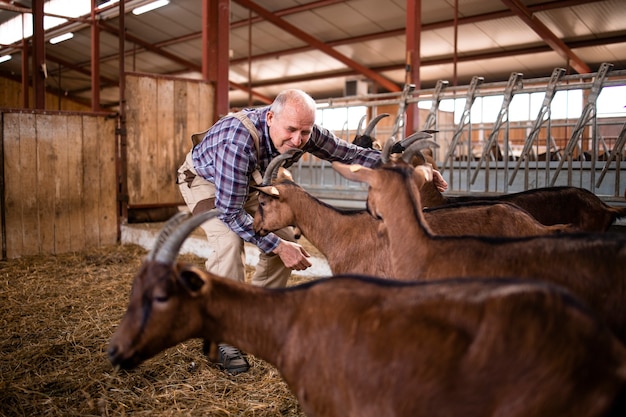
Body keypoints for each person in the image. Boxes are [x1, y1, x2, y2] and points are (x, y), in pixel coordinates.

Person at [176, 88, 381, 374]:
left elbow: (347, 153)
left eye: (305, 133)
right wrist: (278, 247)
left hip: (246, 183)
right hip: (207, 182)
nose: (298, 141)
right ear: (271, 117)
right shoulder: (238, 140)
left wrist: (405, 166)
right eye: (291, 130)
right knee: (229, 241)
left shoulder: (302, 130)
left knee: (284, 237)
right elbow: (230, 212)